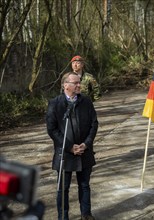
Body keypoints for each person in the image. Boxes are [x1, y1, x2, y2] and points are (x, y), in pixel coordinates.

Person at [46, 72, 98, 220]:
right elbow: (52, 129)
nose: (79, 85)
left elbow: (94, 124)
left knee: (84, 186)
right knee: (63, 189)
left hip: (84, 151)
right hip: (64, 153)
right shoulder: (55, 104)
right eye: (75, 83)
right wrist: (69, 147)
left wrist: (86, 144)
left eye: (79, 82)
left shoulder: (86, 102)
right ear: (65, 85)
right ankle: (63, 217)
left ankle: (86, 215)